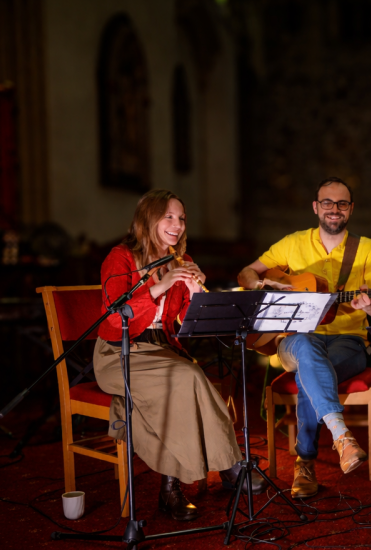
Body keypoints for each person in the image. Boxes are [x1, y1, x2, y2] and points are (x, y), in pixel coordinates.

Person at [94, 190, 264, 522]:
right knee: (189, 376)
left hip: (163, 349)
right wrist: (162, 283)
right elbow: (115, 317)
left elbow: (188, 324)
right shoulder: (121, 257)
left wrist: (196, 294)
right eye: (169, 217)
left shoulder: (180, 261)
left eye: (182, 218)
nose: (178, 224)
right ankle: (229, 467)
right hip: (120, 351)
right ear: (149, 219)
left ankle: (171, 489)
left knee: (188, 380)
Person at [238, 178, 371, 499]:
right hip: (294, 338)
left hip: (348, 342)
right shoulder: (293, 243)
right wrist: (265, 286)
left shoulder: (369, 250)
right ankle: (341, 437)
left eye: (342, 204)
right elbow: (247, 273)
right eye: (328, 203)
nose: (334, 209)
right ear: (315, 207)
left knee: (312, 368)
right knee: (307, 348)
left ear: (351, 209)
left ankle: (304, 461)